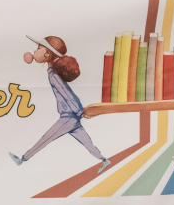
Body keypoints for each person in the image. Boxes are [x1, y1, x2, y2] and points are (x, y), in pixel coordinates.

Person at [9, 35, 111, 173]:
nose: (35, 51)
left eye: (39, 48)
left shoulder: (53, 75)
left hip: (68, 117)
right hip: (73, 116)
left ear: (47, 54)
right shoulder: (53, 72)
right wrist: (79, 112)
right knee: (86, 141)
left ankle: (23, 159)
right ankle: (104, 160)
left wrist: (79, 111)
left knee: (46, 138)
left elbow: (67, 94)